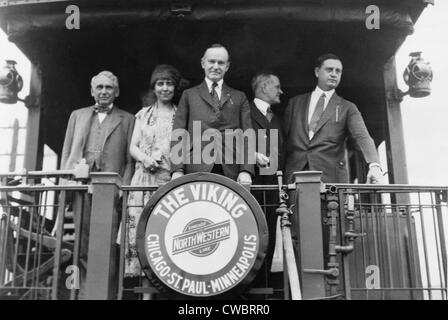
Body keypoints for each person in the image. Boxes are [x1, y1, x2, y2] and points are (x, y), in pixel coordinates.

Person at [60, 70, 134, 298]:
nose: (104, 92)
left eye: (108, 88)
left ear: (117, 92)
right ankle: (85, 295)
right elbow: (67, 151)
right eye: (99, 87)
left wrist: (125, 188)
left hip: (111, 191)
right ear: (92, 91)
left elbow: (130, 161)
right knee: (82, 244)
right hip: (81, 187)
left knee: (108, 246)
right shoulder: (77, 116)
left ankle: (107, 295)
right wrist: (66, 181)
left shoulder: (128, 119)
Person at [122, 65, 187, 285]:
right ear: (154, 87)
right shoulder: (143, 114)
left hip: (168, 181)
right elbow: (132, 146)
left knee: (166, 234)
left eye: (169, 84)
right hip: (143, 180)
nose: (165, 88)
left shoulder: (181, 115)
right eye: (160, 84)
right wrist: (144, 158)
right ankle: (145, 291)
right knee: (142, 233)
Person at [283, 53, 382, 184]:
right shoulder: (295, 103)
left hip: (331, 181)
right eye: (329, 70)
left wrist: (374, 166)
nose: (334, 74)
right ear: (317, 72)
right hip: (295, 177)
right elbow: (283, 140)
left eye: (338, 71)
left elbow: (362, 136)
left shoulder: (348, 107)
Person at [170, 44, 254, 184]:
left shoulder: (239, 97)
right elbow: (179, 133)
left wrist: (246, 170)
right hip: (195, 169)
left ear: (227, 67)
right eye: (211, 61)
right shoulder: (189, 95)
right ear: (203, 63)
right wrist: (177, 170)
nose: (216, 66)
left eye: (221, 63)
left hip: (230, 170)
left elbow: (248, 136)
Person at [249, 72, 285, 295]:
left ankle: (262, 289)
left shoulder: (277, 118)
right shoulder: (245, 111)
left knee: (269, 235)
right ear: (263, 87)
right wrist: (250, 154)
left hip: (272, 188)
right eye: (277, 87)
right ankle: (247, 290)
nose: (281, 91)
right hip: (251, 185)